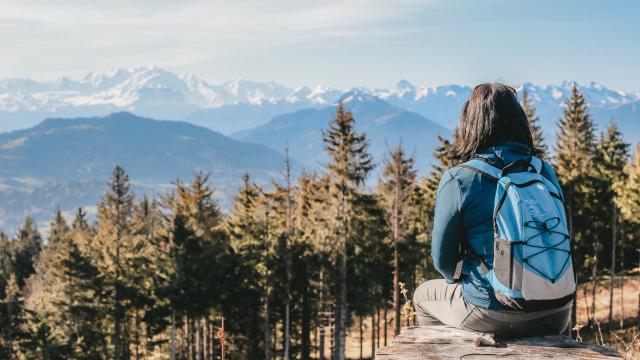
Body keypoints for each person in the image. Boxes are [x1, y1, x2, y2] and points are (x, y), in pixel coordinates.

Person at [413, 83, 572, 337]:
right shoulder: (543, 171)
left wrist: (465, 276)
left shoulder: (460, 178)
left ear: (471, 123)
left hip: (492, 311)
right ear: (520, 121)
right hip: (558, 311)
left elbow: (442, 261)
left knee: (422, 296)